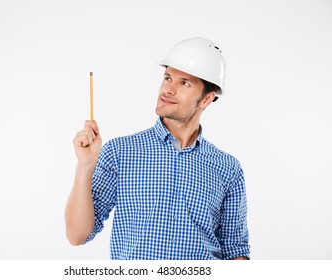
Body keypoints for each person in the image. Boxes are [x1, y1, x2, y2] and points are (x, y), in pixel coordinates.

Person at [65, 37, 250, 260]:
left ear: (207, 99)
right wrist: (85, 166)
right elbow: (77, 235)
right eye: (168, 78)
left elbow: (235, 250)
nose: (168, 89)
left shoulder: (227, 168)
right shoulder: (120, 152)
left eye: (184, 83)